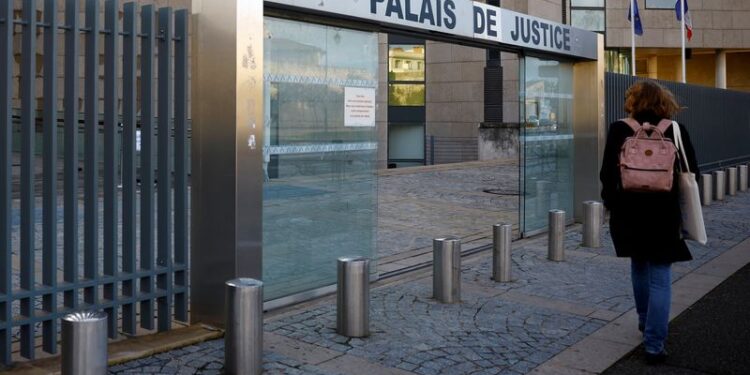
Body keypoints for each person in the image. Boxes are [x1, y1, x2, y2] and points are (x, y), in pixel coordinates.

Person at [599, 80, 699, 364]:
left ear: (633, 101)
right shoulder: (675, 130)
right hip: (663, 213)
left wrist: (612, 204)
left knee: (639, 265)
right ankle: (655, 344)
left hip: (628, 211)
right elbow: (692, 173)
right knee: (661, 275)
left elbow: (607, 173)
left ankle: (644, 321)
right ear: (664, 102)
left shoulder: (620, 129)